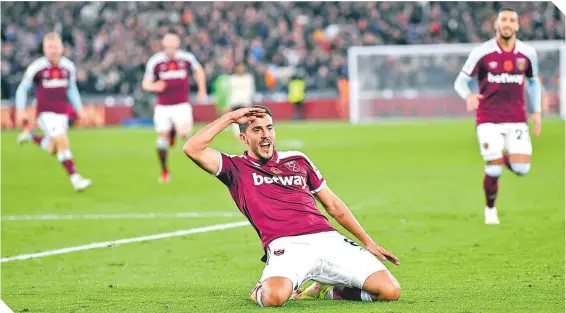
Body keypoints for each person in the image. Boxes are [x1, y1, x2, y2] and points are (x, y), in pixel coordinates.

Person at [183, 105, 400, 307]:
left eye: (269, 128)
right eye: (257, 130)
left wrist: (367, 242)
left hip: (327, 238)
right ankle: (260, 288)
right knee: (274, 298)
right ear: (243, 138)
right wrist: (229, 118)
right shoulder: (235, 168)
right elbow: (192, 148)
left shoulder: (298, 160)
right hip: (286, 246)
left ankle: (330, 291)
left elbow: (332, 204)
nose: (265, 135)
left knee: (390, 291)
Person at [454, 8, 542, 224]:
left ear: (518, 25)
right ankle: (490, 209)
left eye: (512, 20)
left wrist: (537, 111)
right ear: (496, 24)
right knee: (493, 168)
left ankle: (496, 155)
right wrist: (469, 96)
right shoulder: (482, 52)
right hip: (488, 118)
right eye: (503, 19)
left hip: (517, 118)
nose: (507, 24)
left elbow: (532, 82)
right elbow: (460, 82)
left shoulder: (527, 53)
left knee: (522, 168)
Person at [15, 32, 92, 192]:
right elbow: (23, 88)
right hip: (45, 113)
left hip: (62, 112)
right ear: (44, 49)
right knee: (62, 141)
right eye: (49, 47)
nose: (53, 50)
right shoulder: (37, 67)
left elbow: (72, 89)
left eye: (56, 46)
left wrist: (79, 109)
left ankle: (32, 136)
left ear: (62, 48)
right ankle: (76, 179)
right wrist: (20, 110)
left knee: (53, 148)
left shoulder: (68, 67)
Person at [142, 30, 207, 183]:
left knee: (185, 134)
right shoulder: (155, 61)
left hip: (181, 105)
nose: (170, 46)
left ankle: (173, 132)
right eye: (168, 43)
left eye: (173, 42)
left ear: (177, 43)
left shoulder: (186, 58)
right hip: (163, 107)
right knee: (161, 140)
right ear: (163, 44)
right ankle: (164, 171)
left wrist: (202, 90)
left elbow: (199, 71)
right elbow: (145, 83)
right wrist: (154, 86)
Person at [227, 62, 255, 139]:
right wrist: (229, 104)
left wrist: (250, 101)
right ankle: (238, 136)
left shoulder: (248, 78)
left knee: (247, 121)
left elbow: (251, 91)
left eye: (242, 67)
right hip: (235, 103)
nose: (241, 69)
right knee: (236, 121)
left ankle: (246, 135)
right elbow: (230, 92)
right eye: (239, 67)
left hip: (245, 102)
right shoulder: (231, 79)